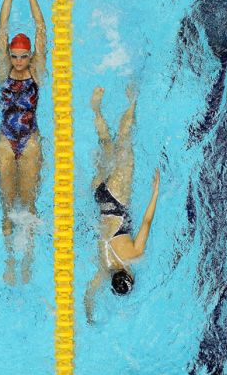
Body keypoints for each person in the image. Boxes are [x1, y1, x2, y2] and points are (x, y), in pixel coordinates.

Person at [83, 85, 159, 323]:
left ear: (130, 277)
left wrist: (155, 192)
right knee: (106, 144)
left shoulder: (133, 254)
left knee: (124, 140)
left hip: (117, 198)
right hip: (99, 196)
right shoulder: (103, 271)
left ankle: (132, 101)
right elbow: (88, 295)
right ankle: (96, 111)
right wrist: (88, 315)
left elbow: (147, 221)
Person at [0, 0, 47, 285]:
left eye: (22, 56)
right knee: (6, 206)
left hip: (30, 142)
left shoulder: (37, 71)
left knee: (28, 205)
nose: (17, 61)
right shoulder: (4, 69)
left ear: (30, 56)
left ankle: (27, 262)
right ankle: (9, 263)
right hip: (4, 140)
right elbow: (1, 30)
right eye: (13, 56)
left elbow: (42, 29)